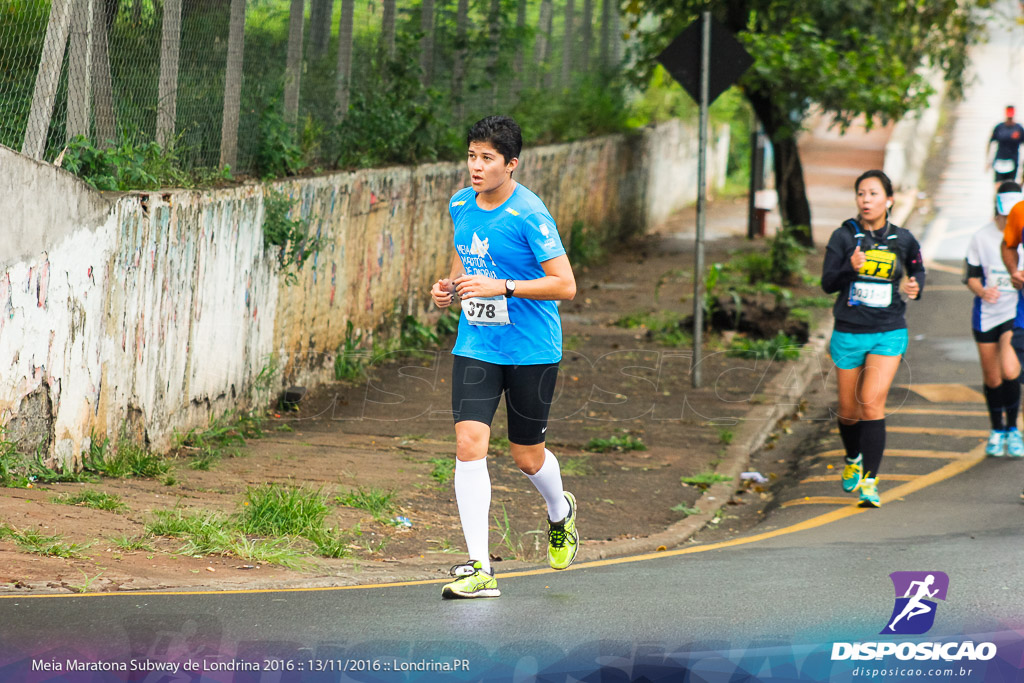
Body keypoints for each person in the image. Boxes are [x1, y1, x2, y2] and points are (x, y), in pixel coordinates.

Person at [430, 115, 579, 599]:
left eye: (487, 158)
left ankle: (560, 512)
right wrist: (450, 286)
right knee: (469, 443)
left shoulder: (531, 215)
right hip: (477, 343)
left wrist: (505, 286)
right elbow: (465, 254)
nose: (476, 166)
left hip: (531, 349)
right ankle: (480, 567)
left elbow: (566, 285)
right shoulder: (459, 203)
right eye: (472, 156)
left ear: (511, 165)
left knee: (526, 456)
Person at [822, 170, 926, 508]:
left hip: (888, 331)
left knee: (871, 402)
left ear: (889, 200)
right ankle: (853, 456)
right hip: (849, 332)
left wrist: (915, 286)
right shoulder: (843, 237)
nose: (866, 200)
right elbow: (827, 283)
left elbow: (918, 270)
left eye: (873, 194)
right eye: (861, 194)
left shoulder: (904, 239)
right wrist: (850, 268)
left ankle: (870, 480)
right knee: (849, 411)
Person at [965, 182, 1024, 457]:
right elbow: (971, 276)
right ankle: (996, 429)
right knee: (992, 377)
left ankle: (1013, 429)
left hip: (1014, 312)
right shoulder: (981, 237)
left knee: (1010, 370)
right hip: (987, 314)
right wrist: (982, 290)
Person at [986, 106, 1024, 191]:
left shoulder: (1019, 129)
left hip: (1013, 161)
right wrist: (988, 160)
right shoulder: (999, 128)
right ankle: (996, 201)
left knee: (1009, 186)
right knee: (998, 186)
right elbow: (990, 142)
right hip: (999, 160)